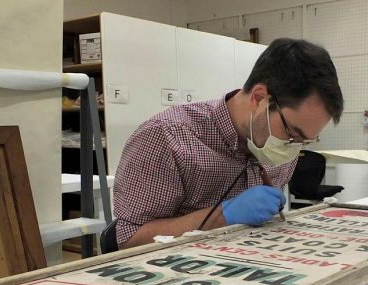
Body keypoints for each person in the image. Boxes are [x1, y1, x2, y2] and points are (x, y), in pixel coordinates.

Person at [112, 38, 343, 249]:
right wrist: (224, 216)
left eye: (306, 141)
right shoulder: (166, 138)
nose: (294, 148)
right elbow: (129, 240)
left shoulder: (285, 148)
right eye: (293, 133)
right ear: (259, 99)